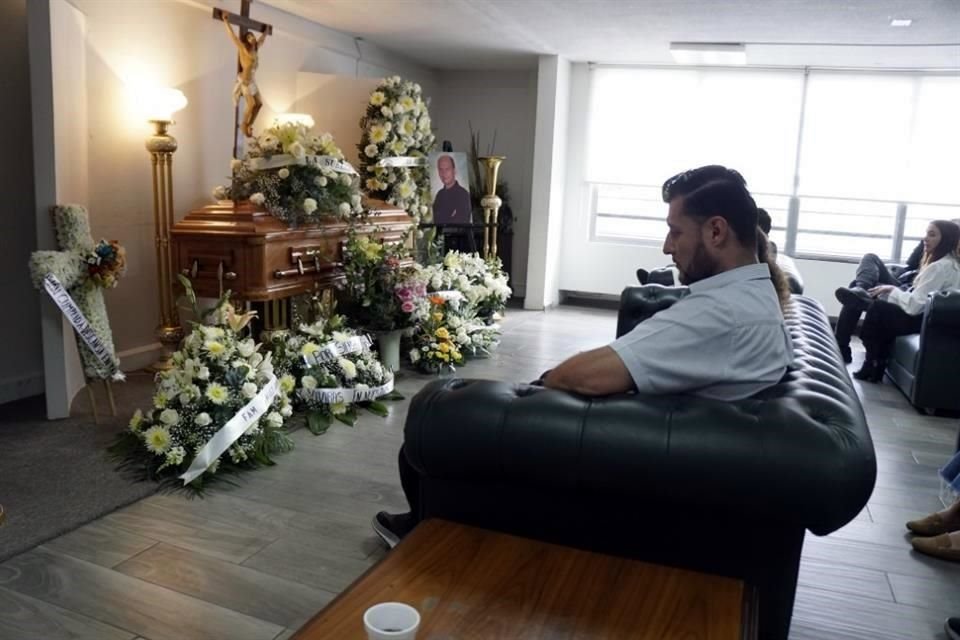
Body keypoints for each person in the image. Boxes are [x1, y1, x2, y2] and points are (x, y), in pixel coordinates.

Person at [372, 165, 794, 547]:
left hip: (623, 450)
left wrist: (540, 385)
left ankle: (427, 532)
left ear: (716, 231)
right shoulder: (752, 296)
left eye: (676, 231)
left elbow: (586, 377)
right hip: (660, 441)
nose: (668, 246)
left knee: (438, 416)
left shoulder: (721, 314)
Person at [843, 220, 960, 382]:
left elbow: (914, 306)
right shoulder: (950, 264)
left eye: (931, 235)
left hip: (920, 319)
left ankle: (870, 362)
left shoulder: (939, 267)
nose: (925, 239)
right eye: (926, 233)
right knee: (869, 298)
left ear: (946, 239)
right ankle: (873, 362)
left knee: (877, 308)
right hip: (925, 317)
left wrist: (892, 290)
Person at [833, 240, 926, 363]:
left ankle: (841, 345)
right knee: (870, 257)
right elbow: (911, 264)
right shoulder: (931, 247)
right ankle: (861, 289)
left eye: (932, 234)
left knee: (854, 292)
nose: (928, 238)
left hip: (910, 291)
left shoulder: (946, 265)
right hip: (903, 282)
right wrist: (923, 246)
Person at [222, 14, 267, 138]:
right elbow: (233, 37)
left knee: (259, 104)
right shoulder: (243, 49)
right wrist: (226, 21)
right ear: (246, 40)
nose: (252, 38)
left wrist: (266, 31)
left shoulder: (255, 49)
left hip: (253, 80)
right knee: (251, 104)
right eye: (249, 37)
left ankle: (249, 124)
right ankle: (243, 124)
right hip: (245, 81)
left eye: (252, 36)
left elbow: (262, 40)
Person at [431, 154, 473, 225]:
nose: (444, 173)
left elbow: (461, 224)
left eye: (447, 169)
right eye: (441, 169)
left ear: (454, 171)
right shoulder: (439, 194)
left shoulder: (463, 195)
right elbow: (434, 220)